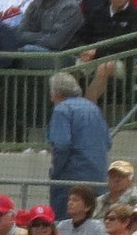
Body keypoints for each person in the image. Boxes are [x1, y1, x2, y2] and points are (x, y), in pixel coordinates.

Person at [46, 70, 109, 209]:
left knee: (63, 224)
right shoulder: (93, 108)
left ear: (57, 93)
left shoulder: (62, 109)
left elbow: (61, 145)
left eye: (51, 94)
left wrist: (55, 172)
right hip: (98, 178)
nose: (51, 99)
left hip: (70, 181)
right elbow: (108, 142)